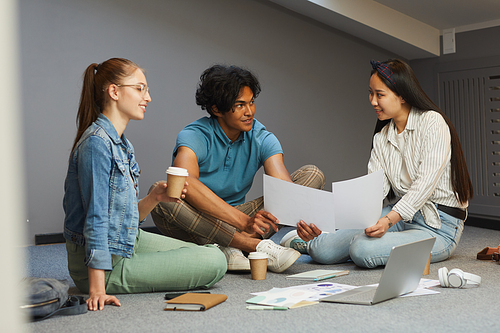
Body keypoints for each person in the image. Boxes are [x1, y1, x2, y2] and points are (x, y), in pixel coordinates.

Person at [63, 58, 226, 311]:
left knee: (210, 252)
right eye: (140, 88)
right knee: (215, 261)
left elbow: (122, 218)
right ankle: (99, 279)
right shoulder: (96, 144)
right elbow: (96, 218)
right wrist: (97, 289)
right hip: (99, 267)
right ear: (114, 91)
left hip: (129, 240)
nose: (147, 97)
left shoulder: (122, 145)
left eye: (146, 89)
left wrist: (154, 198)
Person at [281, 59, 473, 268]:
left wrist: (388, 220)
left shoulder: (432, 122)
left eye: (379, 94)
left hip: (438, 227)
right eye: (371, 93)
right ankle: (309, 241)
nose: (372, 101)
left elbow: (424, 184)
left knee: (361, 250)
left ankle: (354, 242)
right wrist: (323, 220)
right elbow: (372, 194)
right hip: (399, 218)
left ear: (402, 95)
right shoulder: (382, 137)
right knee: (321, 250)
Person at [150, 65, 325, 273]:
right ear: (216, 109)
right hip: (195, 218)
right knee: (163, 197)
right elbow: (186, 183)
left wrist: (300, 217)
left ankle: (229, 245)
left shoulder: (261, 137)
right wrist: (243, 222)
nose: (249, 111)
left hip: (241, 221)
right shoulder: (195, 135)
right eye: (240, 105)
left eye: (251, 103)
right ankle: (252, 246)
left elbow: (284, 190)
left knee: (312, 175)